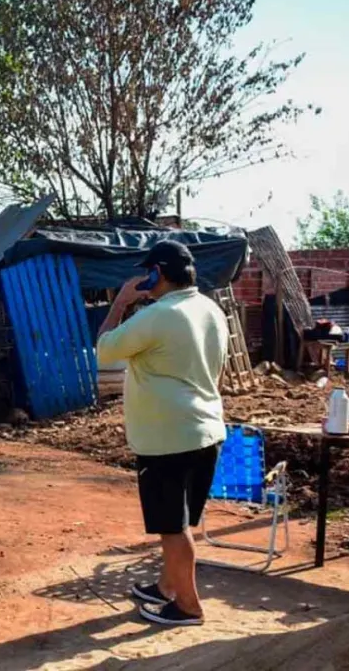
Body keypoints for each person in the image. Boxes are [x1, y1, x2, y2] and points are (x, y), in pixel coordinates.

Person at [96, 240, 229, 628]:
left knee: (172, 527)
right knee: (180, 522)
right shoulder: (211, 310)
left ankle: (187, 606)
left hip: (167, 437)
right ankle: (166, 586)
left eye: (147, 273)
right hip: (206, 429)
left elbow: (105, 350)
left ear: (158, 273)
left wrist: (120, 304)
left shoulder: (159, 315)